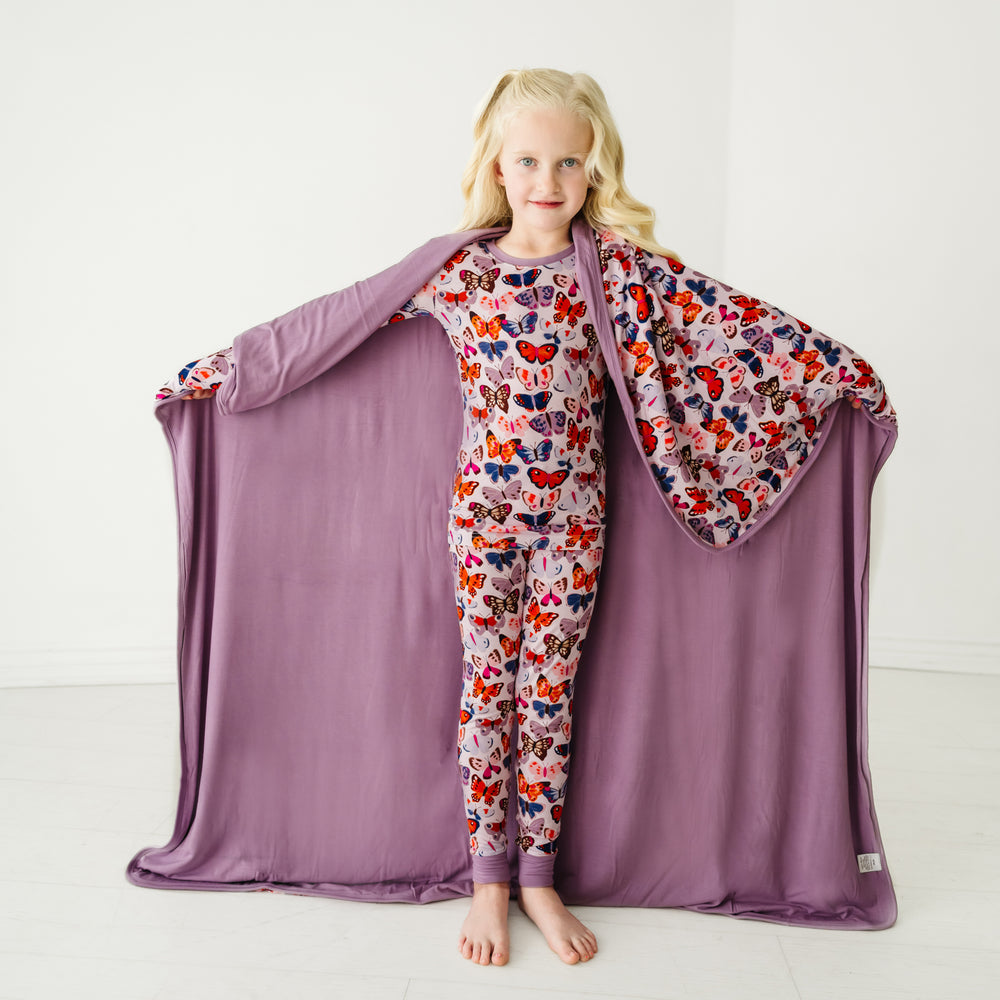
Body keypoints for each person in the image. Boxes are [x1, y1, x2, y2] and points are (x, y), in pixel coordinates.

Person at [156, 67, 865, 967]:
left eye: (570, 162)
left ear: (595, 169)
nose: (547, 180)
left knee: (550, 700)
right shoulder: (453, 272)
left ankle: (539, 877)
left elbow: (736, 332)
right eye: (528, 159)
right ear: (495, 163)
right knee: (487, 695)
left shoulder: (620, 277)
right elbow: (330, 325)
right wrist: (226, 370)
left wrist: (831, 371)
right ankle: (488, 879)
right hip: (483, 522)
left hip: (575, 526)